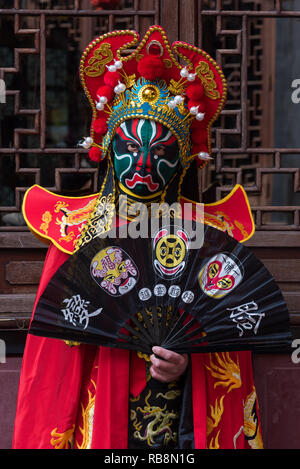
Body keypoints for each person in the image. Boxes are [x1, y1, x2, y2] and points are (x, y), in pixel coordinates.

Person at [13, 25, 263, 449]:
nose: (143, 165)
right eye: (130, 148)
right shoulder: (76, 233)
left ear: (183, 161)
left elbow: (226, 351)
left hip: (176, 419)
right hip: (100, 412)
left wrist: (187, 362)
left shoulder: (208, 239)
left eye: (161, 152)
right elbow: (51, 364)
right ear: (109, 149)